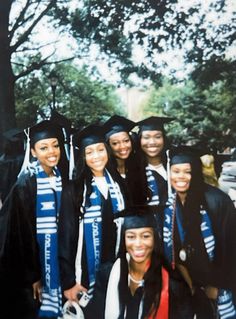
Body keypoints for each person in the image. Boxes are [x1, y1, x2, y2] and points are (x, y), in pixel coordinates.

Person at [0, 120, 66, 319]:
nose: (52, 151)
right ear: (34, 152)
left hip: (58, 260)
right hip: (33, 269)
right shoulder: (25, 184)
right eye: (43, 147)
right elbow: (20, 233)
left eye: (55, 145)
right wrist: (33, 275)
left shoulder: (61, 178)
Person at [58, 124, 127, 314]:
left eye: (100, 150)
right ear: (83, 157)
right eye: (90, 152)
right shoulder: (74, 190)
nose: (96, 156)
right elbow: (65, 238)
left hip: (115, 268)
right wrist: (69, 282)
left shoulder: (120, 185)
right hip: (85, 276)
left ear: (107, 151)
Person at [162, 145, 236, 318]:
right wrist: (191, 285)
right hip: (192, 284)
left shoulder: (217, 201)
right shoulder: (170, 205)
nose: (180, 177)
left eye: (187, 171)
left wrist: (218, 286)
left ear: (195, 173)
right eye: (176, 171)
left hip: (218, 284)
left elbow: (231, 248)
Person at [85, 205, 170, 319]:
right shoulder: (107, 275)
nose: (138, 244)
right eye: (131, 237)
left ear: (155, 239)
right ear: (123, 239)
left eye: (145, 236)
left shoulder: (169, 282)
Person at [102, 114, 146, 205]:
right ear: (108, 146)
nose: (123, 147)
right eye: (115, 143)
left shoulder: (138, 168)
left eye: (126, 141)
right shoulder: (105, 173)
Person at [135, 116, 173, 206]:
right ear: (139, 140)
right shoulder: (134, 171)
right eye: (146, 137)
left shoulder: (173, 165)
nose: (152, 142)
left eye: (157, 137)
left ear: (164, 139)